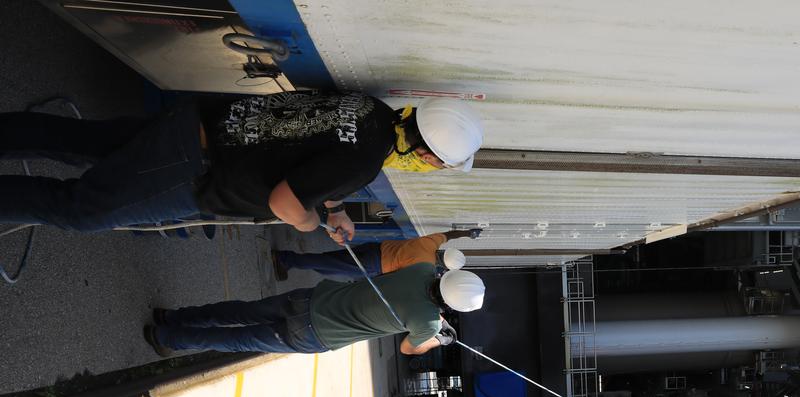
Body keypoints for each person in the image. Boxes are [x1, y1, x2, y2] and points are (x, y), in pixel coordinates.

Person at [0, 93, 483, 237]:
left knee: (77, 141)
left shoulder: (371, 109)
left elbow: (310, 148)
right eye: (441, 164)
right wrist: (312, 221)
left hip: (193, 125)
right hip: (195, 168)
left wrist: (332, 206)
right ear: (426, 154)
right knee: (80, 210)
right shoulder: (366, 162)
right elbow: (284, 201)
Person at [142, 264, 485, 356]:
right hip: (315, 334)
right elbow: (409, 347)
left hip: (312, 299)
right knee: (238, 341)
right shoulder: (425, 323)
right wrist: (439, 340)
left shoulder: (422, 270)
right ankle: (168, 337)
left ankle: (171, 317)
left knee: (240, 311)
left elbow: (410, 296)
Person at [272, 227, 482, 281]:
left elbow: (449, 234)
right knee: (329, 264)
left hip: (374, 248)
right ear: (444, 266)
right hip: (374, 265)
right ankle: (285, 259)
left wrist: (467, 233)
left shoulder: (431, 242)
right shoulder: (426, 267)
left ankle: (291, 261)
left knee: (331, 262)